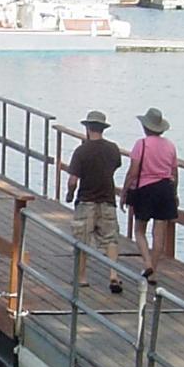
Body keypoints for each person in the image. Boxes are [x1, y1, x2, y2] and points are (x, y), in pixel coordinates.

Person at [64, 109, 124, 295]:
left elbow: (73, 179)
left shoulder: (81, 151)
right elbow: (115, 167)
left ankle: (82, 277)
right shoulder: (113, 149)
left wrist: (70, 194)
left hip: (86, 200)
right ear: (103, 128)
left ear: (88, 128)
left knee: (82, 238)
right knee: (110, 238)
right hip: (107, 199)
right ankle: (113, 274)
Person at [121, 106, 179, 275]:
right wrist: (175, 193)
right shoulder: (170, 146)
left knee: (139, 230)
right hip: (165, 189)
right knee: (159, 233)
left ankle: (147, 263)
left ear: (146, 127)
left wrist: (125, 190)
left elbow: (133, 171)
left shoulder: (141, 144)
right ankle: (153, 270)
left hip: (145, 190)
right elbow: (175, 172)